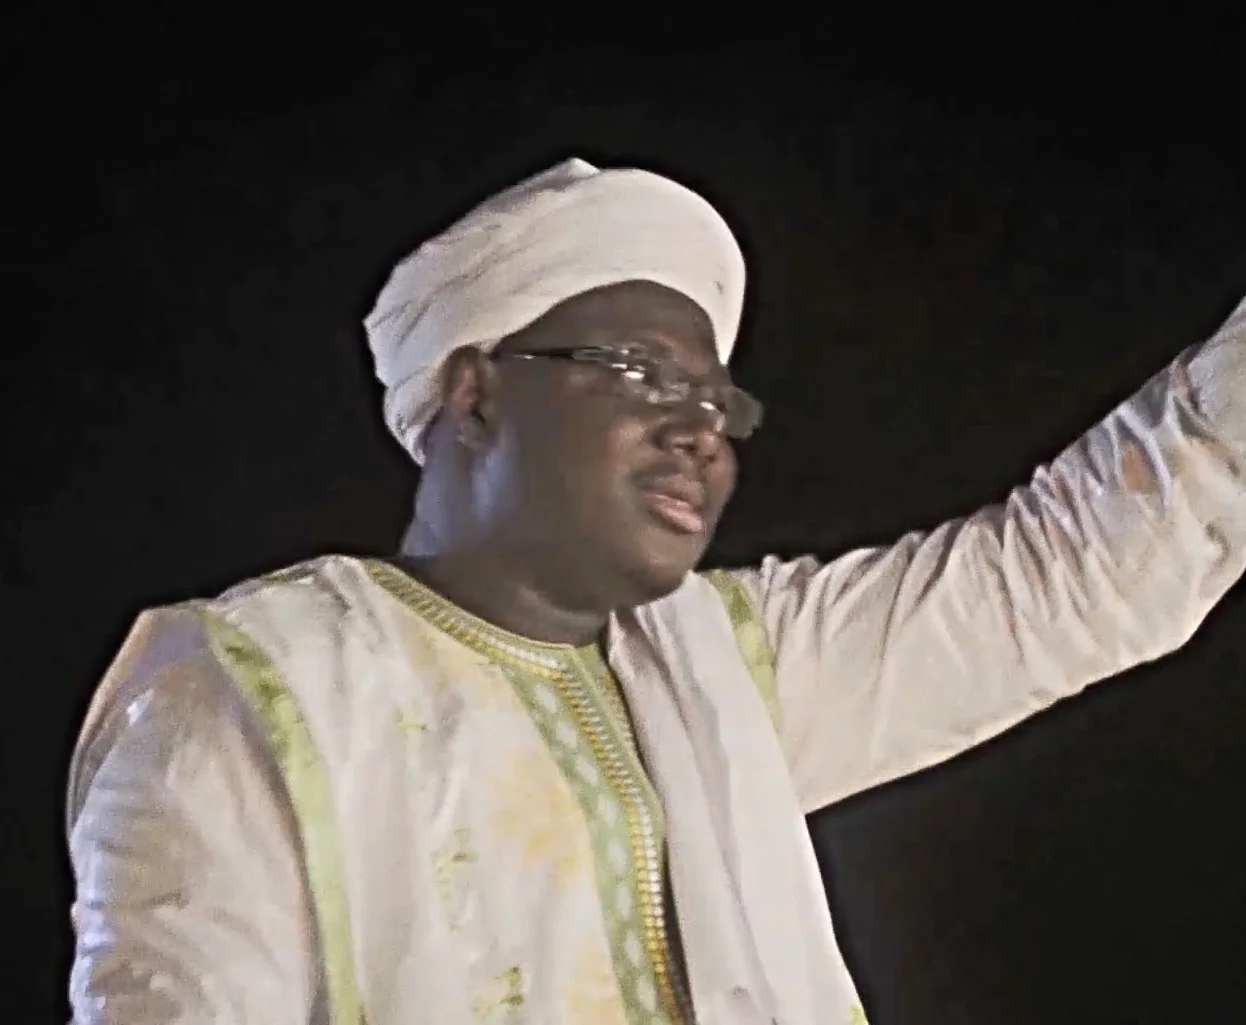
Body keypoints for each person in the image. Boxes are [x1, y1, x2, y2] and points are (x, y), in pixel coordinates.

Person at [66, 156, 1246, 1025]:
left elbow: (1064, 575)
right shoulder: (257, 685)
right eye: (641, 371)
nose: (701, 431)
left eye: (719, 401)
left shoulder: (724, 668)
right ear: (474, 391)